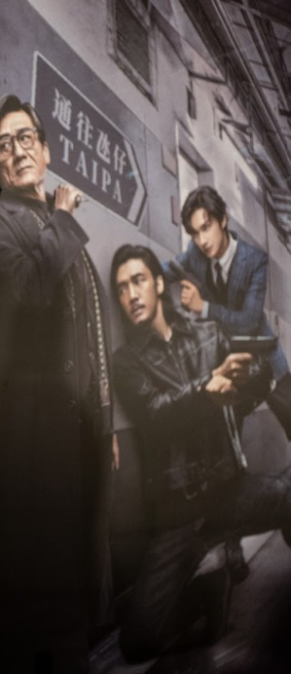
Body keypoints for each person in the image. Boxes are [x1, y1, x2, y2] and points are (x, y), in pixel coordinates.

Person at [0, 93, 115, 671]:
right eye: (3, 145)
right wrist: (63, 216)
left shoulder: (59, 228)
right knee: (39, 573)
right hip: (37, 431)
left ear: (46, 149)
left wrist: (106, 422)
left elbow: (94, 332)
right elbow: (28, 295)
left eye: (25, 138)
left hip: (83, 426)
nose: (17, 151)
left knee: (81, 562)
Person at [109, 243, 291, 663]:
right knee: (137, 642)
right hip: (180, 516)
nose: (131, 295)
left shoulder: (208, 332)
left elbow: (255, 377)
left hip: (229, 492)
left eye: (138, 281)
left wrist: (247, 377)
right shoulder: (125, 362)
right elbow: (157, 412)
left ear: (158, 284)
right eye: (121, 288)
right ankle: (209, 586)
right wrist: (206, 389)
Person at [166, 185, 291, 441]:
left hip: (265, 359)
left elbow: (248, 321)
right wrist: (144, 273)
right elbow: (169, 267)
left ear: (222, 219)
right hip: (230, 364)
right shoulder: (195, 255)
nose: (202, 240)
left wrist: (203, 307)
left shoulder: (254, 261)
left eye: (206, 227)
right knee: (227, 435)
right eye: (195, 233)